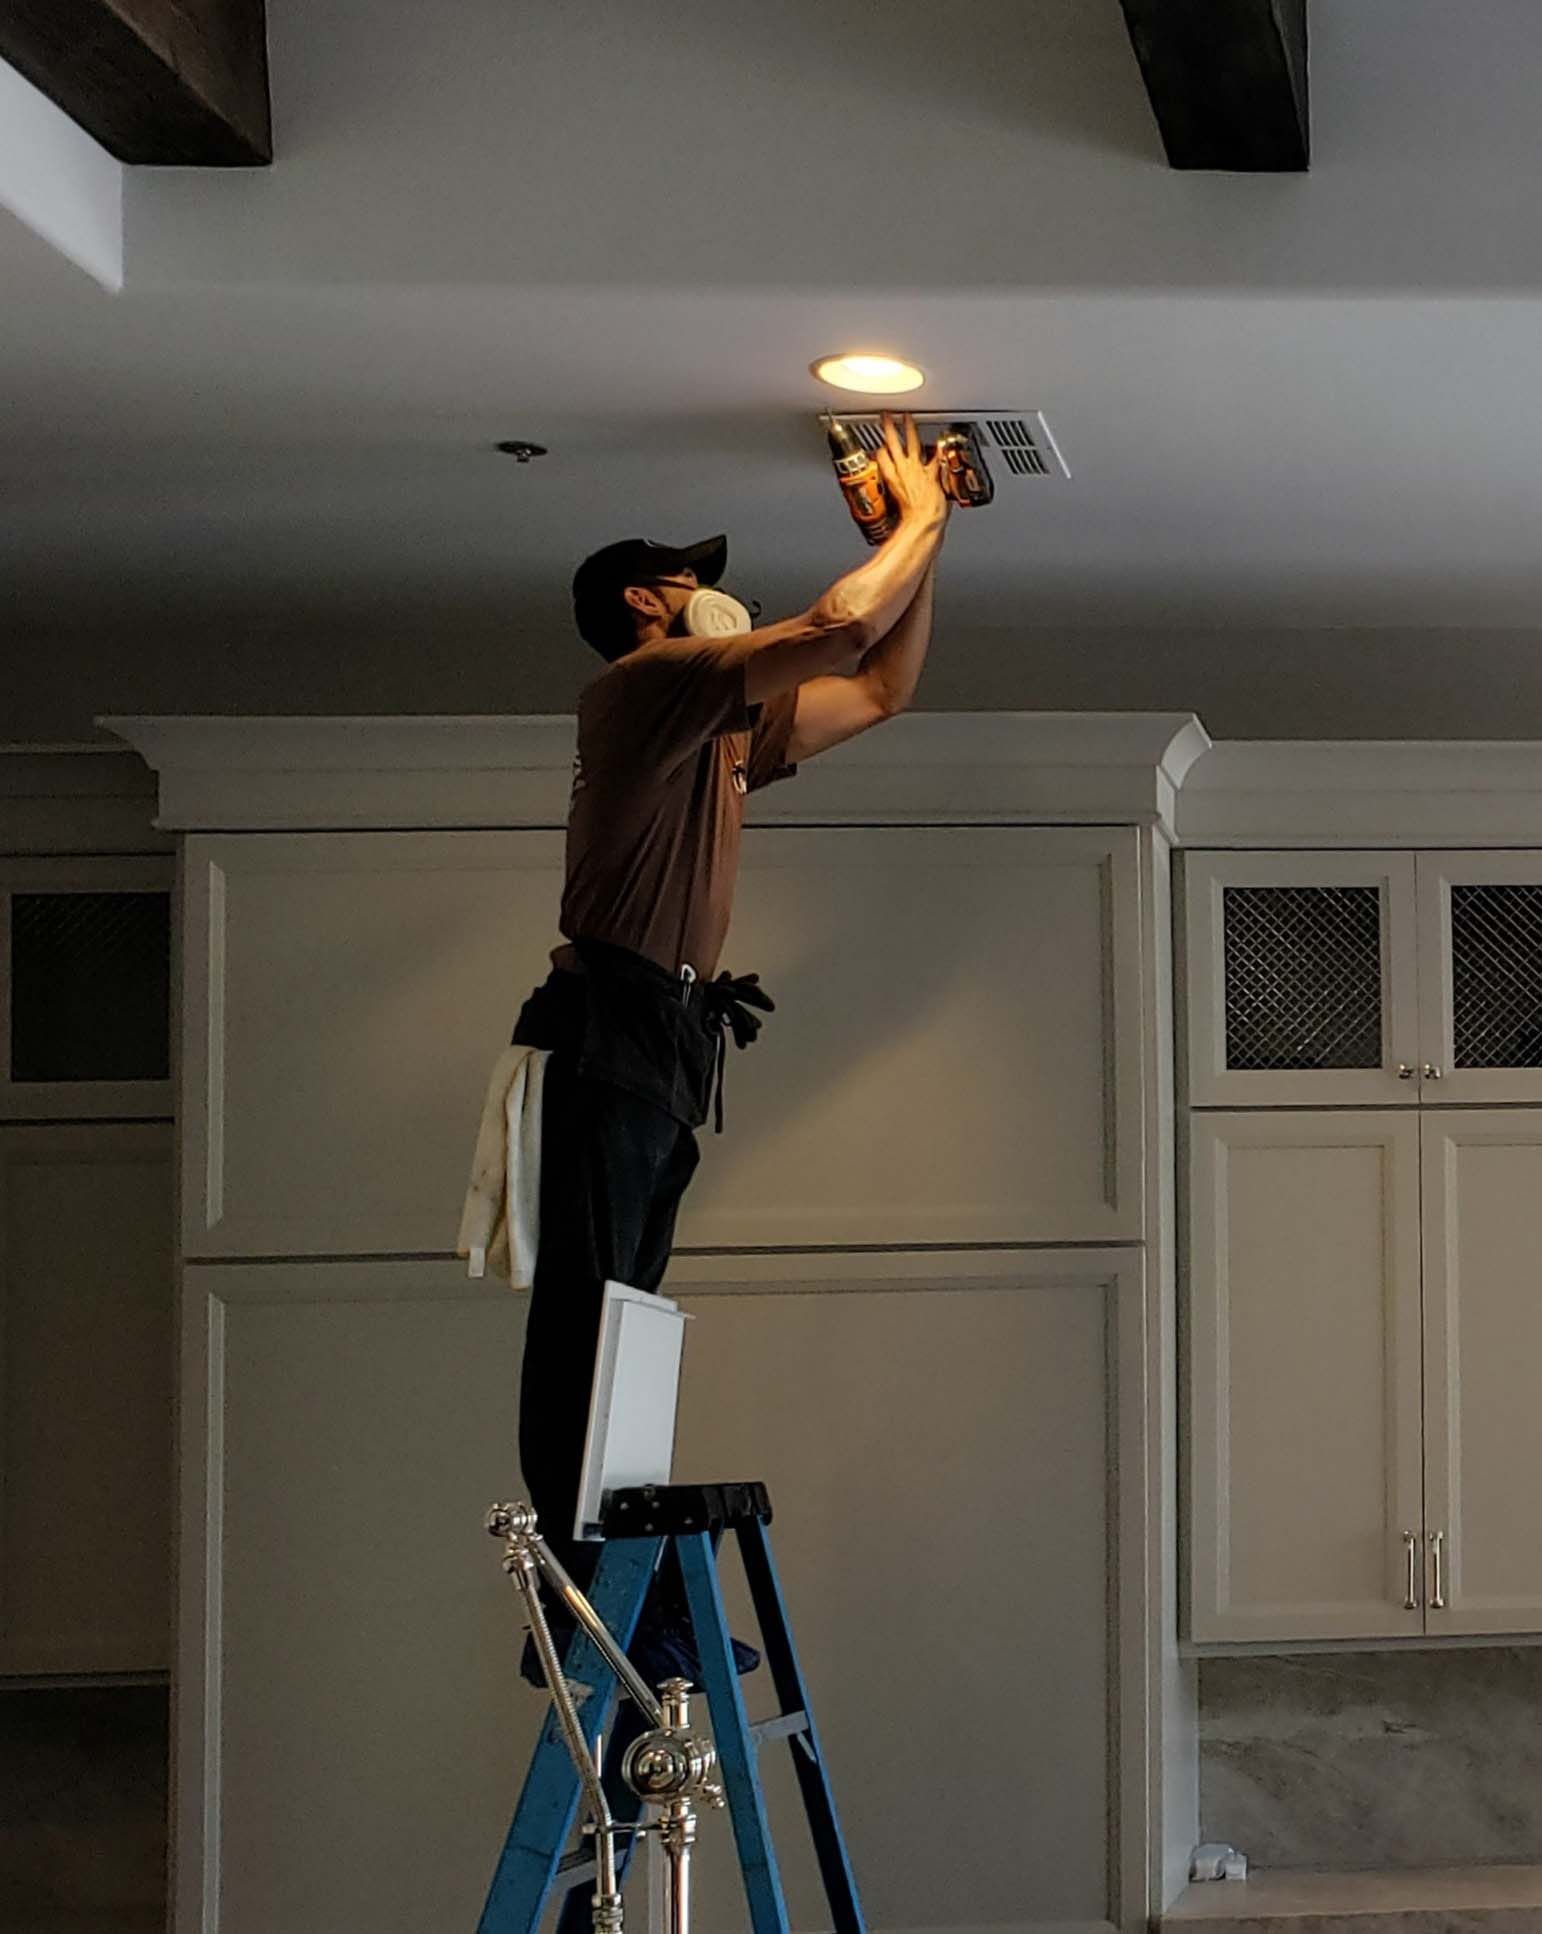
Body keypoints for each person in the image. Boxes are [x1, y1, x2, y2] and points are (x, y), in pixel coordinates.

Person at [469, 413, 949, 1679]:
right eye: (691, 578)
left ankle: (626, 1581)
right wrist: (920, 517)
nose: (714, 593)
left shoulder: (713, 738)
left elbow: (884, 683)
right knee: (588, 1309)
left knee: (630, 1318)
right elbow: (841, 627)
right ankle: (578, 1592)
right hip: (612, 1020)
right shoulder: (643, 686)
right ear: (645, 603)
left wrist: (924, 541)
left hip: (667, 1031)